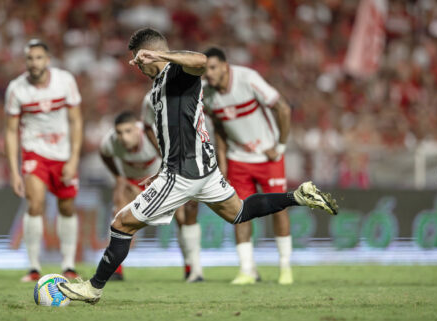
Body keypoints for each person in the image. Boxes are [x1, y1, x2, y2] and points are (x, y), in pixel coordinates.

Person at [57, 27, 337, 304]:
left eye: (139, 59)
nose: (138, 66)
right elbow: (173, 131)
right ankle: (298, 196)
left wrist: (158, 55)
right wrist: (161, 170)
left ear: (151, 54)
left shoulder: (177, 73)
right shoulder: (159, 86)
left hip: (184, 173)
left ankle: (93, 288)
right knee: (238, 212)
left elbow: (201, 61)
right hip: (202, 169)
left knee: (121, 224)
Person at [202, 47, 294, 285]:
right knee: (239, 212)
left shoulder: (248, 78)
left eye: (212, 68)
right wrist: (222, 161)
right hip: (238, 159)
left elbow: (282, 108)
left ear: (225, 66)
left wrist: (281, 146)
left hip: (268, 157)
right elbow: (219, 129)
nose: (208, 74)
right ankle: (247, 270)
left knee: (279, 208)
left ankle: (285, 267)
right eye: (204, 70)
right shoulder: (207, 95)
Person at [4, 39, 83, 282]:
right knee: (35, 204)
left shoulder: (65, 81)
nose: (34, 63)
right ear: (25, 61)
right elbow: (10, 130)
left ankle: (68, 265)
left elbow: (76, 120)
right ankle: (33, 267)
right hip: (34, 152)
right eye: (30, 58)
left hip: (62, 154)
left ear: (47, 60)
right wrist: (15, 171)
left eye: (39, 58)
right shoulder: (16, 89)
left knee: (67, 207)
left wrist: (73, 159)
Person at [100, 110, 204, 282]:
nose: (124, 137)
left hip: (161, 180)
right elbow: (105, 155)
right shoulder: (110, 142)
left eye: (128, 131)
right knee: (118, 216)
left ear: (137, 128)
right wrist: (118, 176)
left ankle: (191, 267)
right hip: (132, 182)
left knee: (182, 218)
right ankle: (116, 270)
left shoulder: (154, 135)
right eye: (120, 132)